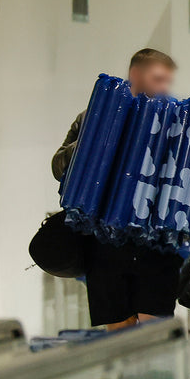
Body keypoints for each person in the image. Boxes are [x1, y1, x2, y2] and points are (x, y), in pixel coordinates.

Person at [51, 48, 179, 331]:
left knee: (154, 334)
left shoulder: (176, 125)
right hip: (105, 246)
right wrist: (93, 138)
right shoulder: (92, 119)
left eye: (168, 81)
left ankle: (152, 376)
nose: (164, 88)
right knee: (119, 336)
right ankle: (122, 378)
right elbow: (58, 166)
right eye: (158, 79)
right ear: (135, 75)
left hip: (156, 245)